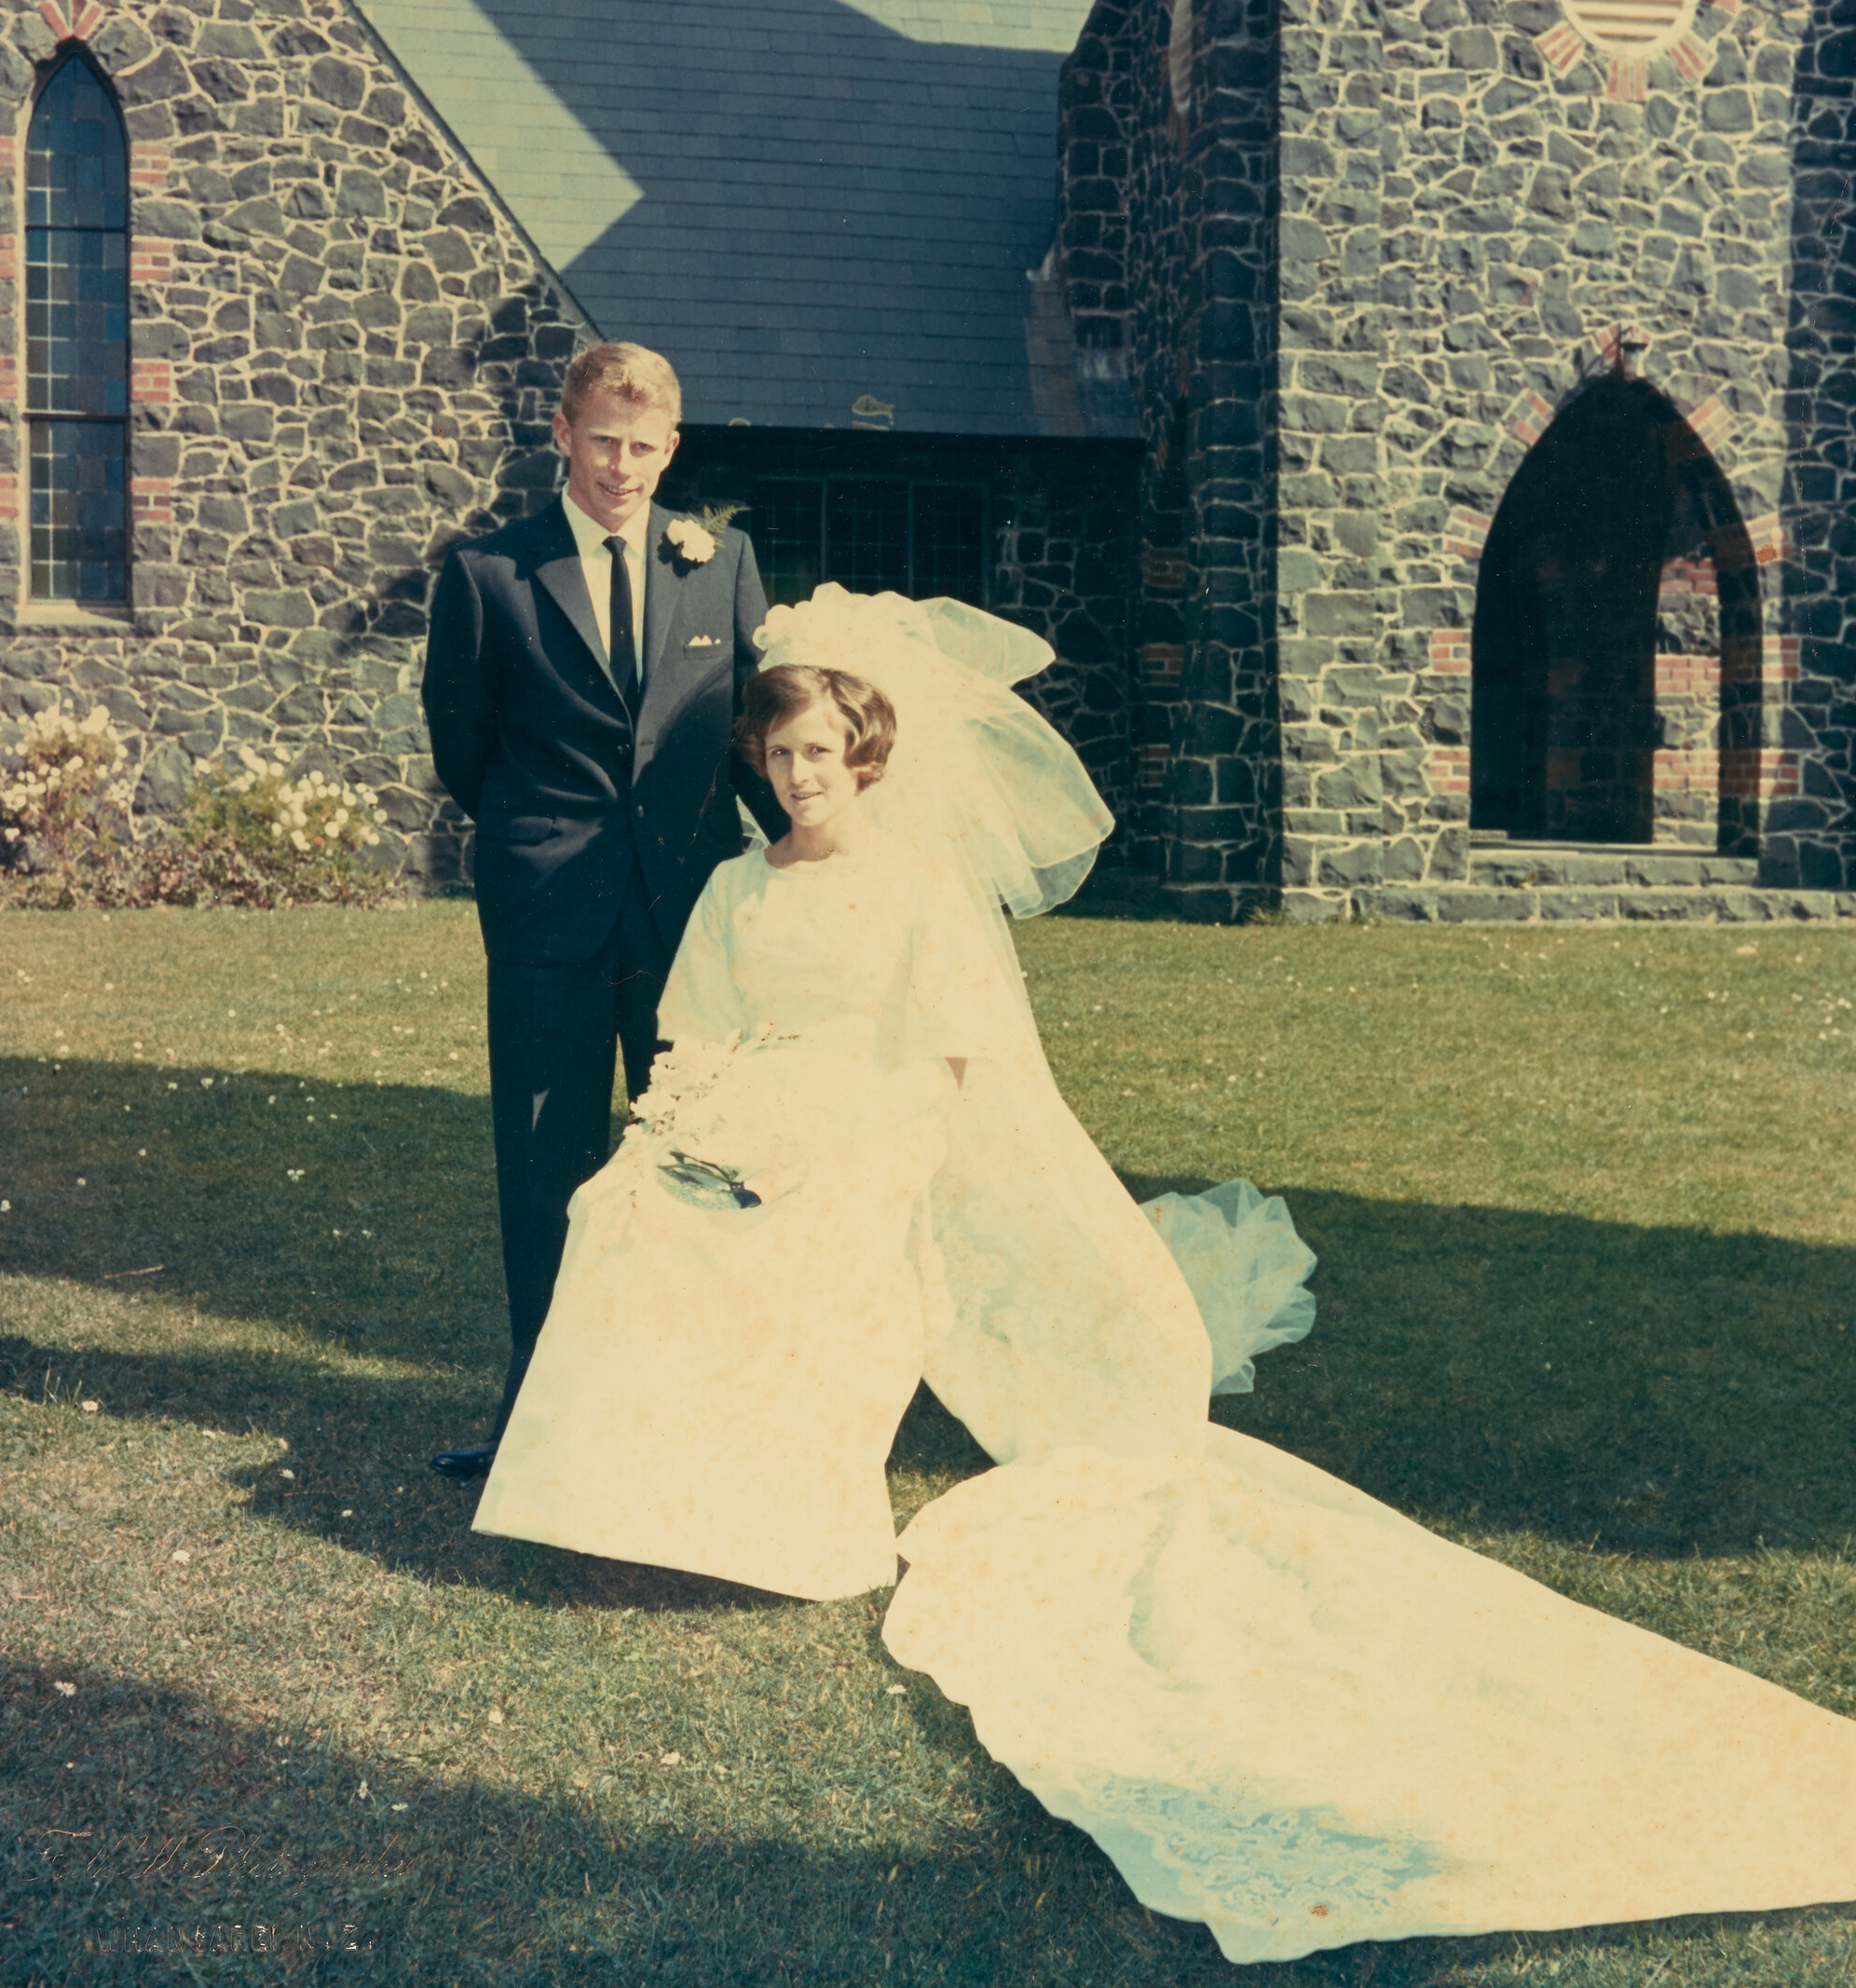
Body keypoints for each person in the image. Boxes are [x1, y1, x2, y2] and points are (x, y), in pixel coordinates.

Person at [479, 585, 1856, 1963]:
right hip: (745, 1113)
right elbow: (698, 1030)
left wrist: (833, 1140)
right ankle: (626, 1505)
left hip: (872, 1123)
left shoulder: (911, 885)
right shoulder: (737, 885)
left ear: (864, 756)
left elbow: (946, 1060)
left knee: (799, 1228)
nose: (797, 775)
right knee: (625, 1209)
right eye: (778, 754)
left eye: (818, 753)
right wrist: (698, 1123)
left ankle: (775, 1529)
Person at [419, 341, 781, 1481]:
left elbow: (753, 734)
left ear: (671, 448)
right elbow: (465, 749)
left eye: (643, 446)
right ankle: (538, 1420)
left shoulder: (722, 564)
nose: (621, 467)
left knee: (696, 1158)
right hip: (549, 916)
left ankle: (688, 1411)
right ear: (562, 435)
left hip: (688, 918)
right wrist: (544, 845)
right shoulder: (489, 574)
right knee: (548, 1167)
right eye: (602, 442)